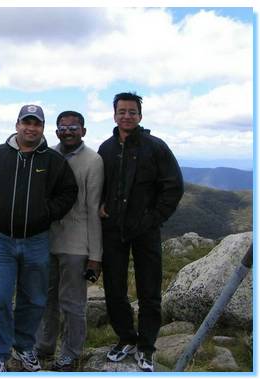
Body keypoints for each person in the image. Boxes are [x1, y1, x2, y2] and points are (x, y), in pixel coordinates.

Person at [0, 104, 78, 372]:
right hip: (0, 239)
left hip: (37, 239)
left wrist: (48, 212)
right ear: (17, 125)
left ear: (42, 128)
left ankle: (24, 347)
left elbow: (68, 191)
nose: (31, 128)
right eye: (26, 122)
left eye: (36, 123)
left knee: (34, 299)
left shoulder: (53, 160)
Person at [98, 92, 184, 372]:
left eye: (132, 112)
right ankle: (126, 338)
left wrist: (154, 218)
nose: (126, 116)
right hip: (112, 230)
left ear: (140, 116)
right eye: (121, 111)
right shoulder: (106, 148)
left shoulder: (156, 147)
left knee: (149, 291)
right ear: (114, 115)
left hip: (146, 231)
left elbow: (173, 186)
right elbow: (99, 184)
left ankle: (146, 347)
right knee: (114, 288)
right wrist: (100, 204)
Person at [35, 110, 104, 371]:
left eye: (74, 127)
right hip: (46, 241)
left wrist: (96, 255)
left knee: (73, 303)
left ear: (83, 131)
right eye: (63, 127)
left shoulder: (93, 160)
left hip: (76, 243)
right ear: (56, 132)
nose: (68, 131)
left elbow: (94, 209)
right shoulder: (48, 154)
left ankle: (72, 352)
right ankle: (44, 346)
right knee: (46, 298)